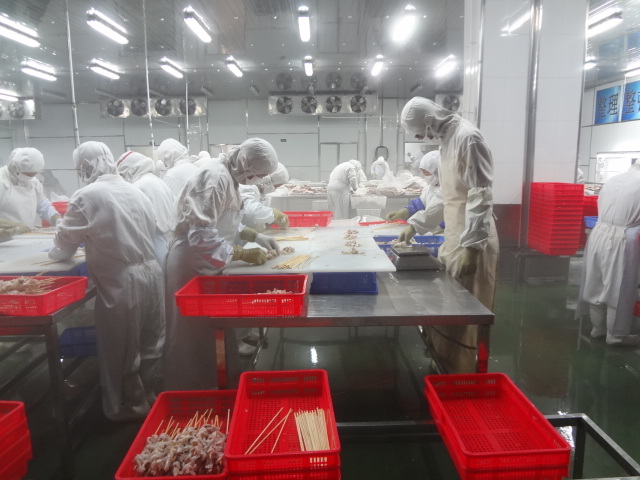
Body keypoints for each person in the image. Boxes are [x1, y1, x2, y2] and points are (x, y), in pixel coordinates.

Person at [49, 141, 164, 421]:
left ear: (85, 167)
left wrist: (56, 248)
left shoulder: (87, 196)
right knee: (151, 343)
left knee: (121, 349)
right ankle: (150, 396)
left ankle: (129, 408)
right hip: (152, 273)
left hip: (122, 281)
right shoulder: (136, 191)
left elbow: (63, 247)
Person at [164, 138, 280, 390]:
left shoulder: (229, 177)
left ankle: (218, 388)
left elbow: (221, 220)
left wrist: (252, 235)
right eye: (259, 175)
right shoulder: (215, 179)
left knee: (213, 330)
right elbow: (200, 235)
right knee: (194, 336)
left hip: (207, 262)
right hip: (191, 263)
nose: (259, 180)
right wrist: (240, 253)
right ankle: (194, 394)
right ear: (246, 164)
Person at [399, 97, 499, 373]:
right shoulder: (447, 142)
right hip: (454, 236)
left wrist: (473, 247)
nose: (421, 138)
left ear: (429, 120)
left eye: (421, 132)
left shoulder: (469, 138)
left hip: (473, 239)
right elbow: (446, 197)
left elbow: (480, 195)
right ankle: (444, 364)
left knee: (466, 309)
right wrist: (417, 224)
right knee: (447, 306)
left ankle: (462, 374)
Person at [577, 161, 640, 346]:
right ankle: (616, 336)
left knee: (595, 283)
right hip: (622, 238)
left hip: (598, 233)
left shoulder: (613, 179)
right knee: (618, 288)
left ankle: (598, 329)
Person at [116, 151, 175, 264]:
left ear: (130, 170)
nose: (123, 178)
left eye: (123, 175)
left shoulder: (137, 187)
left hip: (154, 243)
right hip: (169, 241)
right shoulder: (157, 180)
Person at [0, 147, 62, 232]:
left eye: (33, 174)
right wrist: (13, 227)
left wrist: (57, 219)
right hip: (4, 238)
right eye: (27, 174)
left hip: (25, 235)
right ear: (15, 168)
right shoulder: (2, 181)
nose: (30, 177)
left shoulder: (33, 182)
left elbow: (44, 207)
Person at [386, 150, 444, 235]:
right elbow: (420, 204)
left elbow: (445, 212)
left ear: (438, 171)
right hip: (428, 230)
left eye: (427, 172)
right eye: (423, 172)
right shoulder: (429, 188)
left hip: (446, 232)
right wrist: (405, 212)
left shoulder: (452, 189)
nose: (425, 175)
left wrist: (441, 225)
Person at [239, 162, 290, 232]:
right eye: (276, 186)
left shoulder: (259, 189)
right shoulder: (248, 186)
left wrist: (269, 220)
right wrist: (273, 215)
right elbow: (250, 210)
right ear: (268, 180)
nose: (275, 189)